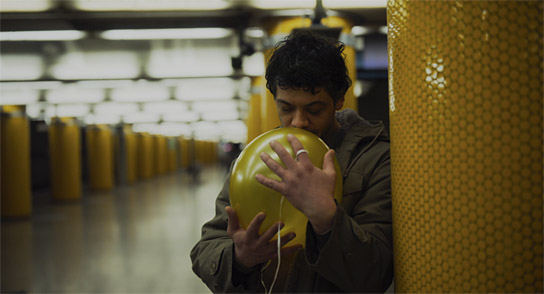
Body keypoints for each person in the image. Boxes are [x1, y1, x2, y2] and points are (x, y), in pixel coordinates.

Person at [191, 30, 393, 293]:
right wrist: (241, 259)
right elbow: (206, 249)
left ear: (339, 100)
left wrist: (326, 217)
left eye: (314, 109)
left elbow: (376, 272)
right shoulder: (257, 159)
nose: (298, 122)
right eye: (286, 108)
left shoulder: (374, 159)